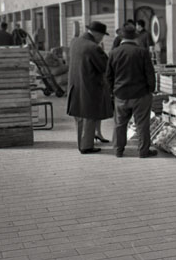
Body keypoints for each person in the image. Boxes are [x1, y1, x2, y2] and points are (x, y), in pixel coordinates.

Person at [106, 24, 157, 158]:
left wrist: (112, 92)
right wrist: (151, 89)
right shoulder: (142, 52)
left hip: (120, 94)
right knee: (142, 124)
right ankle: (143, 151)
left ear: (121, 38)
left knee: (119, 124)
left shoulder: (113, 53)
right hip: (141, 94)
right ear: (135, 37)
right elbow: (150, 74)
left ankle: (118, 150)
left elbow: (109, 76)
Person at [66, 21, 114, 154]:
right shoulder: (93, 47)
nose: (102, 39)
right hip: (89, 87)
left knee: (80, 118)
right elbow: (106, 67)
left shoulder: (75, 42)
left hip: (76, 85)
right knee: (89, 117)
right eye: (102, 36)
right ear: (97, 34)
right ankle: (86, 146)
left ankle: (82, 143)